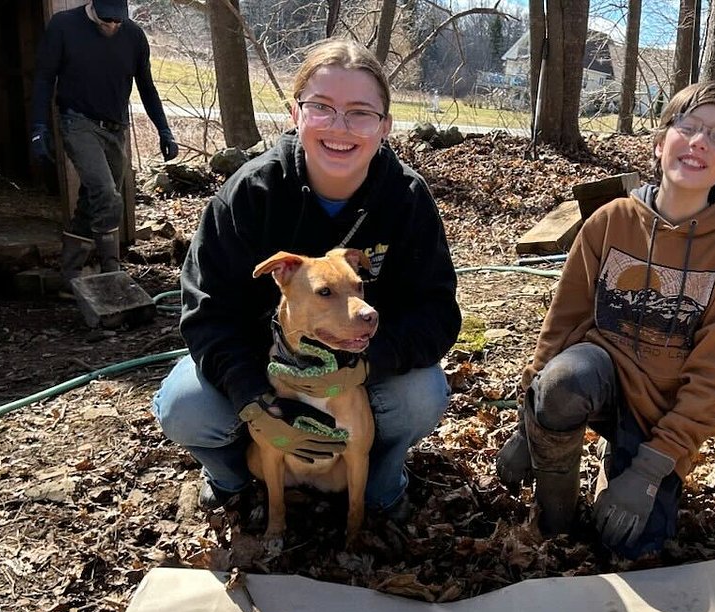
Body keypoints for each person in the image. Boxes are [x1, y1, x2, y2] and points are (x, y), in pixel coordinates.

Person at [153, 39, 460, 524]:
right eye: (322, 107)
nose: (340, 128)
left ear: (385, 126)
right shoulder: (249, 195)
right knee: (183, 405)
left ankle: (378, 479)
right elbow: (207, 315)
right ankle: (235, 479)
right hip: (266, 368)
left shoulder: (405, 200)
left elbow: (438, 313)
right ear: (296, 113)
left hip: (363, 373)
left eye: (361, 113)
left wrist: (367, 364)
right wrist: (254, 399)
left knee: (423, 395)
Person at [496, 81, 715, 559]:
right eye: (689, 127)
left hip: (660, 412)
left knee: (631, 546)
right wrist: (527, 420)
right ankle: (556, 516)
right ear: (661, 142)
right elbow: (562, 323)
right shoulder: (610, 221)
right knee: (561, 384)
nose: (700, 142)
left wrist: (648, 470)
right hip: (596, 378)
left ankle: (619, 465)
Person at [30, 0, 178, 285]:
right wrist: (39, 127)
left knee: (92, 199)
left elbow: (146, 86)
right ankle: (112, 271)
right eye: (106, 20)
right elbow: (44, 78)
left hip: (116, 128)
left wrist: (164, 130)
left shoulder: (134, 36)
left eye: (117, 21)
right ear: (93, 8)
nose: (112, 26)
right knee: (107, 195)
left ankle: (70, 276)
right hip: (77, 121)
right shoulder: (64, 27)